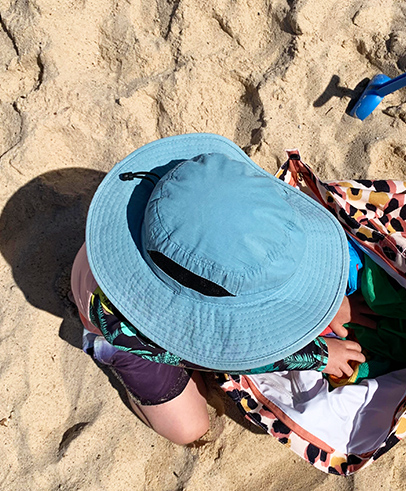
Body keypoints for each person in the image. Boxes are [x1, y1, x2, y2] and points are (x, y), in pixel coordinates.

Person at [71, 134, 378, 445]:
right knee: (190, 428)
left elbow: (235, 245)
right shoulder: (127, 324)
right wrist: (318, 354)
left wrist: (317, 302)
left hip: (124, 254)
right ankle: (108, 356)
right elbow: (233, 354)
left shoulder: (191, 196)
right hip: (127, 333)